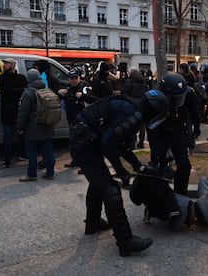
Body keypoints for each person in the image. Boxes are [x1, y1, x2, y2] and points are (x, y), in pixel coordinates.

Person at [70, 89, 170, 256]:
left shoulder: (132, 107)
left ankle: (93, 223)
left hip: (85, 140)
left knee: (98, 183)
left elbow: (120, 144)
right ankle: (125, 242)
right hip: (84, 143)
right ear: (153, 109)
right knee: (110, 188)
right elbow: (108, 144)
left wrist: (139, 166)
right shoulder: (133, 113)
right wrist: (122, 172)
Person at [129, 174, 208, 232]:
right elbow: (176, 226)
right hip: (203, 212)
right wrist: (188, 218)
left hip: (200, 205)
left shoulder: (156, 200)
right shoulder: (161, 201)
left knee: (204, 180)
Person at [147, 72, 198, 196]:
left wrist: (195, 130)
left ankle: (181, 194)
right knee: (160, 167)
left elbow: (195, 112)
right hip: (160, 132)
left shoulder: (188, 94)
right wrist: (157, 152)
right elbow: (150, 127)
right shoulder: (154, 99)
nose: (177, 102)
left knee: (184, 166)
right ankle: (159, 196)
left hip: (178, 131)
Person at [16, 69, 56, 182]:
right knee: (47, 151)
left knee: (31, 152)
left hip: (32, 128)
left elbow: (23, 112)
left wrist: (20, 127)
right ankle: (50, 172)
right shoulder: (46, 89)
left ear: (29, 79)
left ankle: (32, 174)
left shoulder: (28, 93)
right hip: (47, 125)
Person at [58, 69, 97, 170]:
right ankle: (76, 161)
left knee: (83, 144)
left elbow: (94, 100)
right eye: (72, 78)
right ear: (69, 79)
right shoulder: (68, 88)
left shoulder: (84, 87)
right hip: (72, 120)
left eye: (76, 78)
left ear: (79, 78)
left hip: (84, 121)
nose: (74, 80)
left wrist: (83, 96)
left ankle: (85, 166)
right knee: (73, 143)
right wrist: (59, 92)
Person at [0, 57, 28, 168]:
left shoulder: (21, 77)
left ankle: (22, 155)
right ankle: (7, 160)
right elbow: (6, 92)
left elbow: (25, 91)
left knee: (21, 134)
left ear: (13, 65)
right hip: (7, 111)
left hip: (20, 110)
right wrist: (19, 90)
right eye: (4, 63)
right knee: (8, 135)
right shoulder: (1, 77)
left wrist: (15, 90)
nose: (4, 65)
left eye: (6, 63)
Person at [121, 67, 148, 149]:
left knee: (132, 125)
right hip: (142, 105)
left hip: (132, 105)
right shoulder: (143, 81)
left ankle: (132, 143)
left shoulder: (129, 81)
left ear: (131, 73)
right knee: (142, 125)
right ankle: (141, 142)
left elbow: (124, 93)